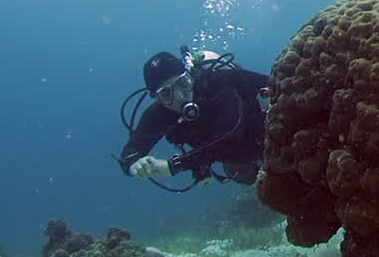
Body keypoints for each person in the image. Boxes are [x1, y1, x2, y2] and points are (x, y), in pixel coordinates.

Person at [116, 47, 270, 189]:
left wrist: (174, 166)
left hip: (265, 131)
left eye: (182, 83)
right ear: (157, 99)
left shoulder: (215, 82)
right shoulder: (159, 114)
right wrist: (135, 166)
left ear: (190, 75)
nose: (180, 96)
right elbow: (129, 155)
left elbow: (231, 132)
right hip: (230, 152)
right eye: (165, 94)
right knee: (244, 174)